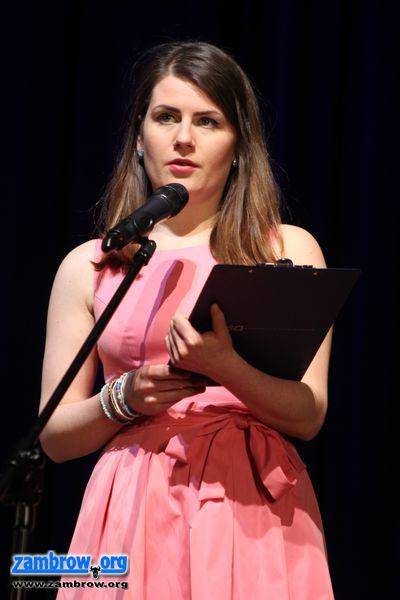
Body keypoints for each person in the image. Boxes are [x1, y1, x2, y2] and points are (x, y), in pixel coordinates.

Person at [39, 41, 335, 599]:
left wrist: (226, 368)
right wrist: (123, 397)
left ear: (239, 144)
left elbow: (309, 414)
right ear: (139, 136)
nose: (183, 138)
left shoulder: (285, 250)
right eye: (166, 117)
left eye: (208, 121)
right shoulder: (91, 264)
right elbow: (52, 438)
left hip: (252, 510)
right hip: (131, 510)